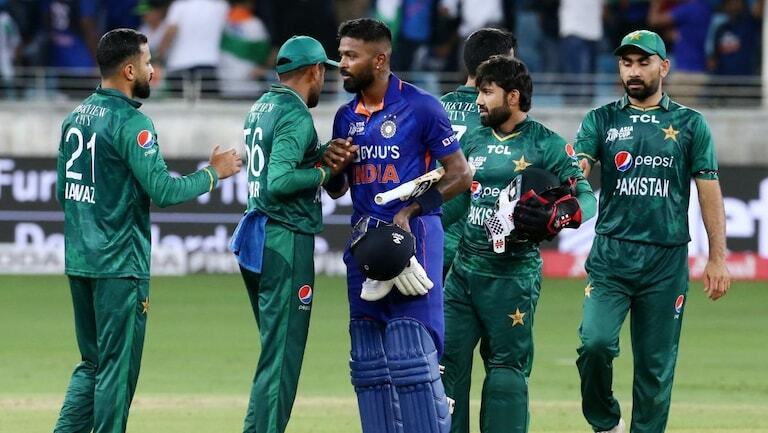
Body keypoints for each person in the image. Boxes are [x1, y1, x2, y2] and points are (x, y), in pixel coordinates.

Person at [54, 28, 241, 433]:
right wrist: (214, 173)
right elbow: (164, 190)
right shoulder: (131, 122)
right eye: (148, 62)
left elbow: (63, 192)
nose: (153, 71)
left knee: (92, 364)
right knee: (116, 371)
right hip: (119, 265)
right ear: (128, 70)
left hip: (80, 259)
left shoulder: (75, 116)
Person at [574, 29, 731, 433]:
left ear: (664, 67)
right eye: (626, 63)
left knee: (655, 370)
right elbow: (580, 168)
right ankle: (605, 421)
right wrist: (569, 183)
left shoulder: (691, 124)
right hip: (611, 257)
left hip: (666, 261)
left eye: (643, 62)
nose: (633, 71)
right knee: (594, 344)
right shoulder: (601, 119)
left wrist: (717, 258)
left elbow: (709, 191)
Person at [323, 17, 472, 433]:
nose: (342, 64)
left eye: (351, 56)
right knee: (368, 360)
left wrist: (410, 212)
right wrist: (333, 168)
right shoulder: (345, 116)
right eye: (341, 55)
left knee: (412, 353)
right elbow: (337, 189)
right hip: (364, 244)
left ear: (380, 60)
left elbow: (460, 175)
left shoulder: (422, 106)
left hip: (414, 238)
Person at [439, 55, 597, 433]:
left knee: (506, 372)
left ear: (512, 97)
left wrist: (558, 215)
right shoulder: (473, 139)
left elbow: (586, 199)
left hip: (512, 277)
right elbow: (457, 202)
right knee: (445, 366)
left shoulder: (547, 144)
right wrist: (417, 223)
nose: (478, 101)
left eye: (486, 92)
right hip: (463, 273)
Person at [228, 35, 340, 433]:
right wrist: (325, 171)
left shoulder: (261, 106)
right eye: (324, 72)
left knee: (273, 353)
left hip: (257, 235)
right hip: (285, 238)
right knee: (281, 359)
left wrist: (319, 153)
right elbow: (279, 180)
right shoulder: (295, 114)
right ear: (315, 71)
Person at [437, 27, 516, 433]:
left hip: (432, 254)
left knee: (445, 368)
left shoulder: (433, 109)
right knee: (504, 362)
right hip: (483, 257)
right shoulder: (502, 120)